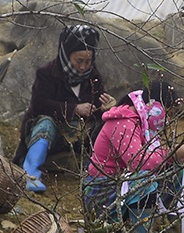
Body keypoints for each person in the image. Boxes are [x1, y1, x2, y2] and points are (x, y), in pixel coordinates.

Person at [84, 79, 184, 233]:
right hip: (102, 194)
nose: (168, 119)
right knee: (145, 181)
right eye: (168, 113)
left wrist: (173, 157)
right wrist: (171, 154)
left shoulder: (142, 124)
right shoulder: (124, 122)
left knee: (178, 169)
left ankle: (175, 225)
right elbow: (137, 162)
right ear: (155, 107)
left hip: (120, 186)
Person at [15, 24, 114, 192]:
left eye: (88, 61)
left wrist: (105, 107)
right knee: (46, 123)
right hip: (50, 133)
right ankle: (31, 173)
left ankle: (96, 171)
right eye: (79, 61)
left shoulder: (93, 76)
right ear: (66, 54)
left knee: (106, 126)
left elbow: (95, 106)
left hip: (77, 137)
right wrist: (74, 109)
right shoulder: (47, 74)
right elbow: (39, 105)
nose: (83, 67)